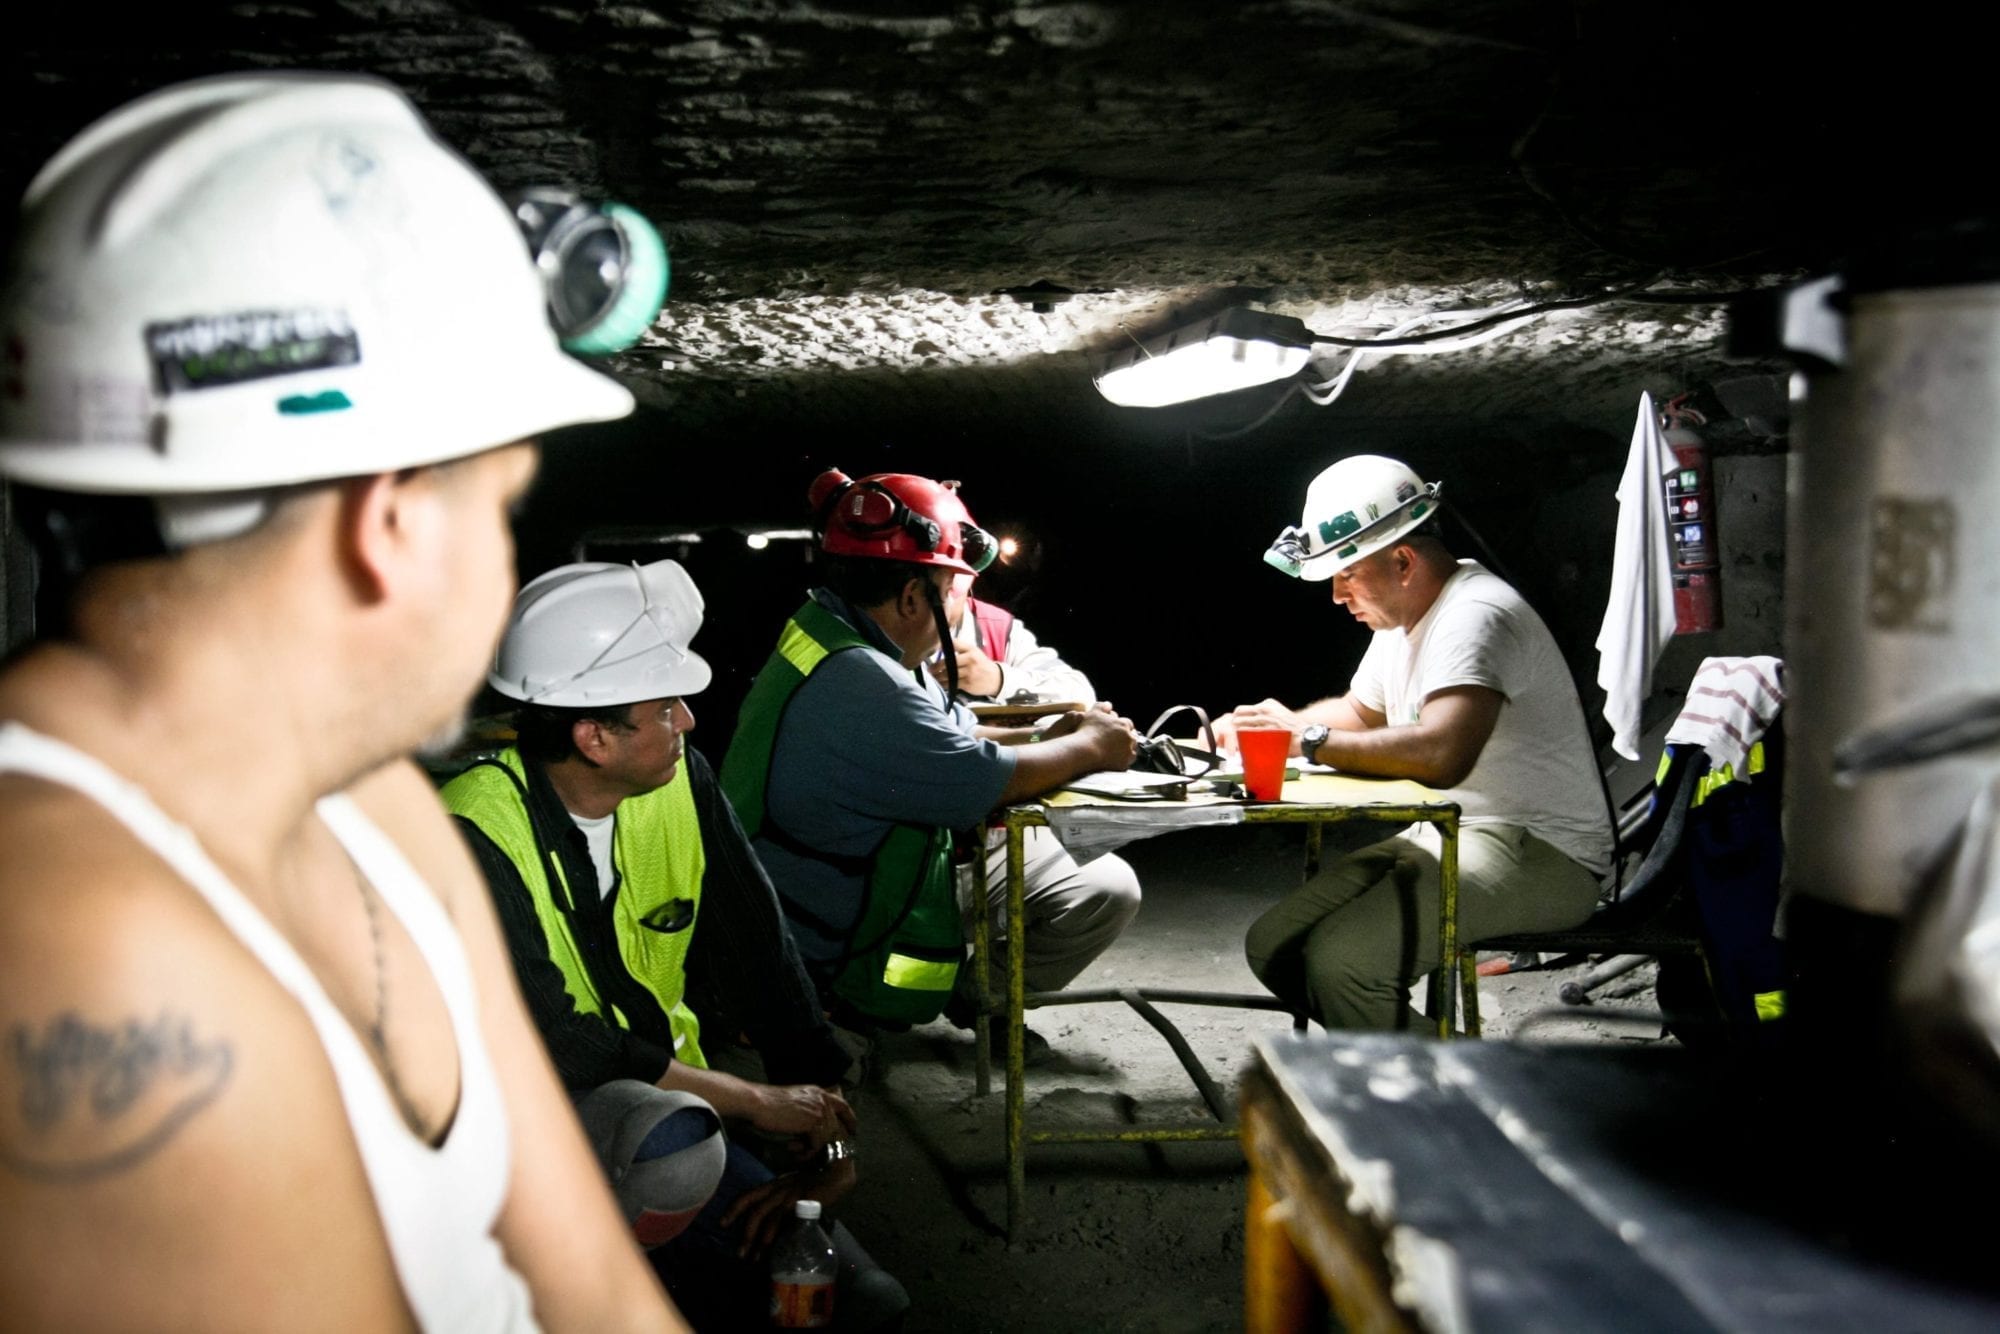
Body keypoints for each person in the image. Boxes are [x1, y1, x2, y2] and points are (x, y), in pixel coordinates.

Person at [0, 73, 681, 1329]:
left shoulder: (370, 802)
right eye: (497, 504)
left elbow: (590, 1284)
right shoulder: (85, 963)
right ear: (393, 517)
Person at [442, 558, 907, 1330]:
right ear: (593, 736)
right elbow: (559, 1043)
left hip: (664, 1110)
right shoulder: (473, 830)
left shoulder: (675, 780)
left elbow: (759, 949)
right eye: (666, 707)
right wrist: (756, 1099)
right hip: (533, 1129)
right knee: (673, 1163)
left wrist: (823, 1126)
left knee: (865, 1304)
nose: (688, 721)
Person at [721, 470, 1141, 1051]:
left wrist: (1060, 732)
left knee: (1099, 886)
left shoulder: (835, 633)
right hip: (817, 927)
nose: (963, 605)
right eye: (952, 590)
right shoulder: (864, 680)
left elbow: (958, 731)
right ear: (914, 596)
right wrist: (1092, 747)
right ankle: (843, 1005)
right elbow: (983, 779)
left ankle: (977, 998)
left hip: (845, 872)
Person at [1222, 455, 1612, 1031]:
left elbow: (1441, 753)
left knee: (1344, 964)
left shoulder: (1475, 614)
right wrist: (1274, 731)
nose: (1336, 594)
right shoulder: (1406, 617)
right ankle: (1440, 1073)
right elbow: (1359, 711)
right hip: (1454, 830)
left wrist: (1306, 742)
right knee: (1275, 946)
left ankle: (1474, 1100)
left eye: (1347, 574)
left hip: (1542, 850)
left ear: (1402, 560)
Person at [929, 551, 1142, 1041]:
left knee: (1108, 887)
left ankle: (984, 999)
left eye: (955, 580)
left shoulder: (997, 629)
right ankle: (857, 1018)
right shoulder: (879, 638)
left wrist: (997, 678)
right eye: (930, 582)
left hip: (989, 838)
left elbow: (1078, 693)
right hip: (903, 845)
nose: (944, 594)